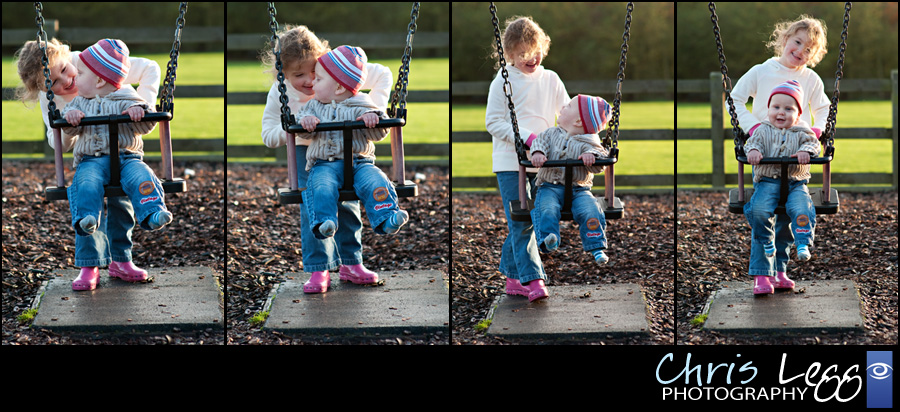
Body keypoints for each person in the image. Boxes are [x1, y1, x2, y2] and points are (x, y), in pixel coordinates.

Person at [15, 37, 167, 291]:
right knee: (87, 196)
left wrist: (143, 105)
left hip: (123, 151)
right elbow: (59, 145)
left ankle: (122, 260)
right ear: (43, 89)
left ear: (68, 56)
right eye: (54, 83)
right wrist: (67, 124)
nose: (67, 82)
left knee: (123, 201)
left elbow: (150, 67)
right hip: (91, 157)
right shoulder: (50, 97)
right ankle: (89, 265)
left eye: (65, 70)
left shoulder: (96, 61)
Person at [261, 26, 393, 291]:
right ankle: (319, 269)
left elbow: (382, 75)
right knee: (314, 205)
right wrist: (296, 129)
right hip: (307, 155)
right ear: (283, 73)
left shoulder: (334, 70)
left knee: (348, 204)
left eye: (314, 71)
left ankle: (351, 263)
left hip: (346, 148)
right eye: (299, 75)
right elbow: (268, 134)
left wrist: (371, 109)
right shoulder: (281, 92)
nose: (310, 81)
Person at [296, 45, 409, 293]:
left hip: (359, 163)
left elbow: (379, 133)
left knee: (377, 181)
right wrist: (306, 122)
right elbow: (300, 125)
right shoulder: (314, 106)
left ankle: (387, 217)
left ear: (338, 87)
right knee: (321, 187)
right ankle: (324, 222)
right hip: (325, 164)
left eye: (319, 78)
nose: (313, 82)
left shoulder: (363, 102)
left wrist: (373, 120)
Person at [730, 15, 830, 293]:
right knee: (765, 209)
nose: (800, 51)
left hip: (797, 157)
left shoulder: (811, 78)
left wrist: (815, 132)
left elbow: (823, 109)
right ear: (784, 40)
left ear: (815, 55)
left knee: (789, 216)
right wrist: (751, 129)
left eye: (809, 49)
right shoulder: (762, 71)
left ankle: (780, 269)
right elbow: (735, 99)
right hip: (764, 153)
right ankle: (762, 275)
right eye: (797, 42)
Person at [485, 16, 569, 302]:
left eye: (535, 51)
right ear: (508, 54)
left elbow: (568, 115)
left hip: (545, 164)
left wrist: (587, 123)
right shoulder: (504, 80)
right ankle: (533, 280)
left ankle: (512, 277)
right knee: (522, 221)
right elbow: (493, 122)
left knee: (524, 221)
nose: (531, 59)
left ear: (543, 46)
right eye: (522, 55)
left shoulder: (551, 79)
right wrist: (528, 138)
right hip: (511, 162)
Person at [743, 80, 820, 295]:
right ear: (768, 109)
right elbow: (751, 143)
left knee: (802, 209)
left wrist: (807, 151)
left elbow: (815, 144)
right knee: (759, 210)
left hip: (795, 184)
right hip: (768, 182)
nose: (781, 112)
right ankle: (767, 242)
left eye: (788, 108)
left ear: (798, 113)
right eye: (775, 107)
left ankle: (803, 243)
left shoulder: (802, 131)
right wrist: (754, 152)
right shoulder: (762, 130)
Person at [530, 95, 611, 266]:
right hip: (549, 187)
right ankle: (548, 240)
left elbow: (600, 162)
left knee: (591, 210)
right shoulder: (551, 133)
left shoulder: (590, 141)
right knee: (547, 209)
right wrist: (538, 153)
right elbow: (540, 142)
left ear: (578, 121)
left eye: (568, 106)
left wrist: (592, 157)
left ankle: (596, 246)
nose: (563, 107)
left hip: (579, 189)